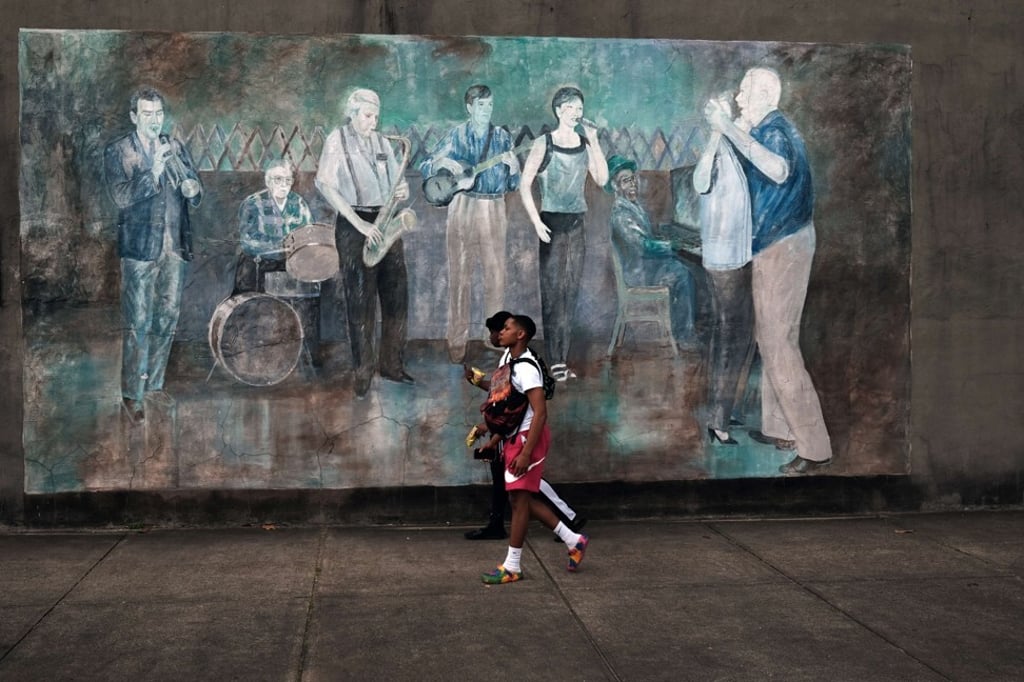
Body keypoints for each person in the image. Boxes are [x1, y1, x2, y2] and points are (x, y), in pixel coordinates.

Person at [706, 67, 832, 473]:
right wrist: (727, 129)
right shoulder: (765, 130)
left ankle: (814, 447)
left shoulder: (777, 131)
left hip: (785, 245)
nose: (740, 97)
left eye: (745, 91)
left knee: (779, 343)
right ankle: (781, 428)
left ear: (764, 94)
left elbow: (777, 170)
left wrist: (727, 124)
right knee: (771, 339)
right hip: (775, 244)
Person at [104, 86, 203, 424]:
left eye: (159, 114)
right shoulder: (118, 151)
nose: (155, 120)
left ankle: (156, 384)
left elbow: (193, 183)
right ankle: (133, 395)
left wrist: (193, 188)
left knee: (167, 317)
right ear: (134, 117)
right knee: (137, 323)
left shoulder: (174, 145)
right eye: (148, 115)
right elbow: (120, 197)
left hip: (174, 247)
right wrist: (155, 173)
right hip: (139, 251)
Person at [315, 88, 413, 397]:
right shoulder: (336, 141)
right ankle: (362, 373)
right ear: (352, 113)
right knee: (360, 302)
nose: (373, 122)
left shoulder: (383, 142)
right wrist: (358, 224)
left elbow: (398, 182)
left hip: (384, 221)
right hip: (354, 223)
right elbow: (325, 185)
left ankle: (392, 366)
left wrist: (402, 192)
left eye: (376, 116)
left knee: (397, 296)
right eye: (368, 116)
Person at [479, 314, 590, 584]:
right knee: (520, 500)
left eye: (506, 328)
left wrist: (527, 452)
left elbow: (540, 413)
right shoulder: (507, 360)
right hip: (515, 437)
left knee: (519, 503)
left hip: (530, 438)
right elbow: (507, 404)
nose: (500, 332)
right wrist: (495, 437)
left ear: (520, 335)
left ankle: (512, 566)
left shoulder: (528, 367)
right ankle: (573, 540)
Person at [418, 85, 521, 364]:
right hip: (462, 206)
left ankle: (497, 341)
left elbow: (513, 184)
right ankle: (457, 342)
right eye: (481, 105)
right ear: (469, 108)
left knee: (495, 276)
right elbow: (427, 165)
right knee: (460, 276)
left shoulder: (502, 137)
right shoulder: (456, 134)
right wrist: (447, 165)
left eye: (490, 104)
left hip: (493, 206)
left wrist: (513, 169)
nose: (487, 109)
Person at [519, 86, 608, 381]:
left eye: (580, 109)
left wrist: (594, 141)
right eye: (571, 108)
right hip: (551, 224)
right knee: (553, 293)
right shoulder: (544, 143)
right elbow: (524, 184)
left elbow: (602, 178)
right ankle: (555, 360)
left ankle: (563, 359)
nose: (577, 113)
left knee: (570, 293)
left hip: (576, 224)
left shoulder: (585, 143)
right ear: (558, 110)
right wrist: (535, 221)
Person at [693, 94, 757, 445]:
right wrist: (718, 134)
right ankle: (718, 420)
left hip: (737, 254)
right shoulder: (717, 148)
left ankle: (724, 408)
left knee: (736, 333)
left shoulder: (735, 150)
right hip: (725, 259)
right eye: (721, 114)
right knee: (730, 336)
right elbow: (700, 183)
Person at [234, 158, 321, 365]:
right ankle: (254, 357)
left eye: (287, 179)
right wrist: (278, 248)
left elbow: (307, 235)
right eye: (277, 179)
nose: (283, 184)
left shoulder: (298, 204)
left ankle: (305, 356)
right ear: (267, 181)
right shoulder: (252, 203)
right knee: (254, 303)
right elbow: (247, 241)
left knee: (310, 290)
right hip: (259, 264)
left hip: (290, 264)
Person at [606, 154, 696, 346]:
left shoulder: (632, 207)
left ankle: (685, 331)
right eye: (626, 181)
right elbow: (643, 246)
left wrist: (667, 239)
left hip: (645, 267)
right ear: (615, 186)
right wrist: (672, 246)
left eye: (633, 179)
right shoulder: (621, 215)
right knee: (682, 273)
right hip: (640, 274)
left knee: (683, 265)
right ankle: (684, 336)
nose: (632, 185)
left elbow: (646, 239)